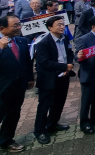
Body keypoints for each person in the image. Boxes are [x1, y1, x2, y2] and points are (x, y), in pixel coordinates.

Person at [0, 15, 34, 155]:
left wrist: (29, 78)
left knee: (13, 116)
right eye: (15, 25)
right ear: (2, 28)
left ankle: (6, 141)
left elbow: (27, 62)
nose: (19, 28)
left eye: (19, 24)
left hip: (18, 88)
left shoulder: (21, 41)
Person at [33, 16, 74, 144]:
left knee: (59, 103)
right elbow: (44, 63)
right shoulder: (43, 43)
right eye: (59, 25)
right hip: (49, 79)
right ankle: (40, 131)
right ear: (50, 27)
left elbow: (69, 53)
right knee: (44, 106)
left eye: (63, 24)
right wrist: (64, 66)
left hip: (64, 76)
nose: (62, 27)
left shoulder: (65, 38)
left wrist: (68, 67)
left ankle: (52, 124)